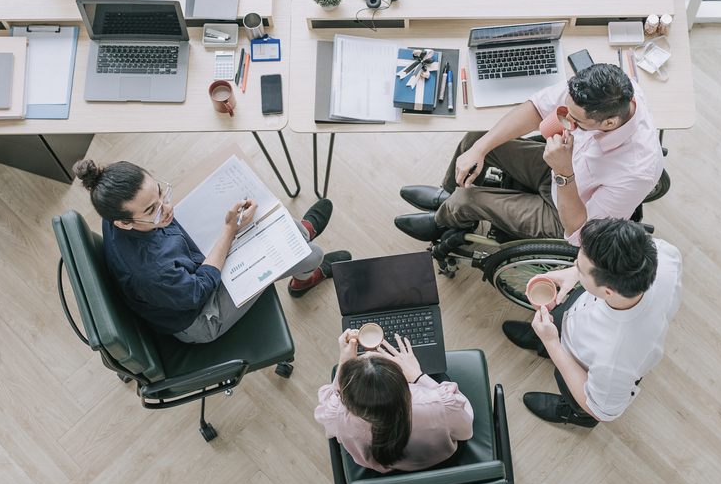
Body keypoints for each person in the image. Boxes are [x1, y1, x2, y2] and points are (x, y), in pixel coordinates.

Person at [74, 158, 351, 344]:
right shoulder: (151, 272)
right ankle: (303, 273)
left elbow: (169, 226)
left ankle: (298, 237)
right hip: (200, 314)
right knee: (311, 254)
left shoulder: (113, 208)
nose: (167, 208)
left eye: (160, 193)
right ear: (123, 223)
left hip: (184, 267)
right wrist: (229, 230)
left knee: (277, 230)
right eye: (152, 210)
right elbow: (199, 289)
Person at [395, 63, 662, 246]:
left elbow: (581, 233)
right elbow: (538, 108)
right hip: (561, 166)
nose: (565, 119)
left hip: (566, 212)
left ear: (610, 124)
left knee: (468, 199)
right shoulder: (610, 91)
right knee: (476, 140)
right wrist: (479, 150)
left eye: (576, 122)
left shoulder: (638, 171)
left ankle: (444, 221)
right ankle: (447, 196)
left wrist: (564, 173)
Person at [505, 218, 681, 427]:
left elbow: (601, 410)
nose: (573, 265)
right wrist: (577, 273)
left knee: (573, 390)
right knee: (561, 315)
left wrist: (553, 343)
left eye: (579, 267)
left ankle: (576, 414)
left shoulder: (615, 360)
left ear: (608, 291)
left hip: (584, 366)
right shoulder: (664, 254)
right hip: (580, 309)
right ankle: (543, 339)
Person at [316, 330, 473, 473]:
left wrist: (344, 363)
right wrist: (419, 376)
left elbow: (330, 404)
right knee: (440, 376)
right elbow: (466, 430)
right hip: (444, 459)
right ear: (406, 383)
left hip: (388, 468)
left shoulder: (337, 414)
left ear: (348, 399)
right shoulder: (439, 404)